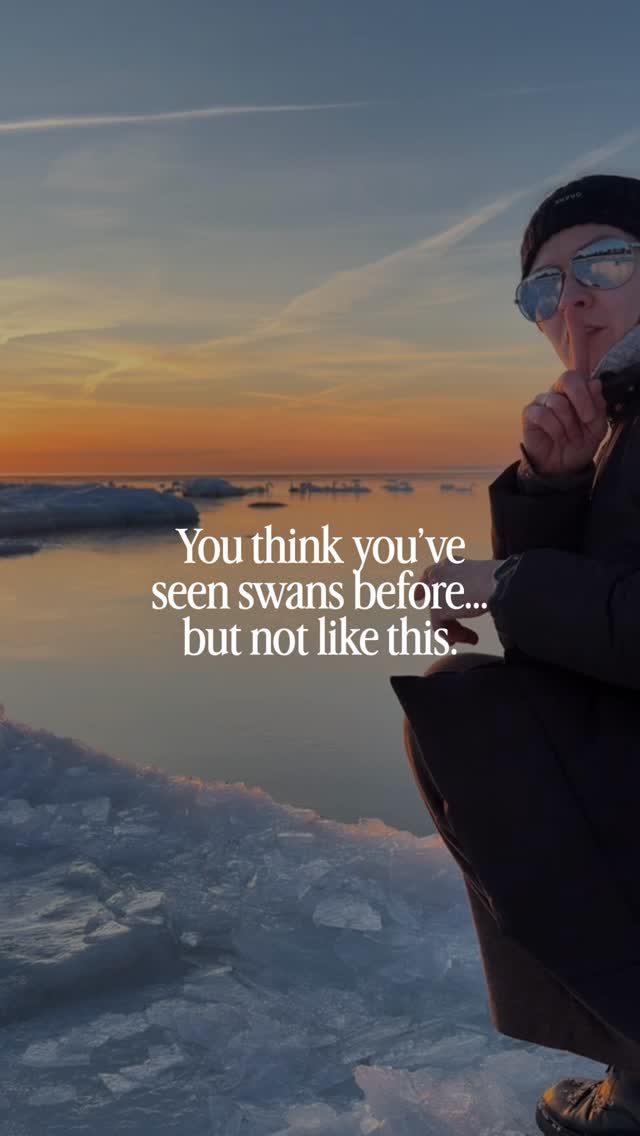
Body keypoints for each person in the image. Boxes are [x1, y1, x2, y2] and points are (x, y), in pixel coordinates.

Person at [390, 173, 640, 1136]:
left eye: (606, 262)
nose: (569, 300)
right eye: (541, 289)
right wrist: (552, 485)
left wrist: (507, 579)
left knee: (477, 712)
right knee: (481, 707)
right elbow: (589, 650)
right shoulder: (622, 421)